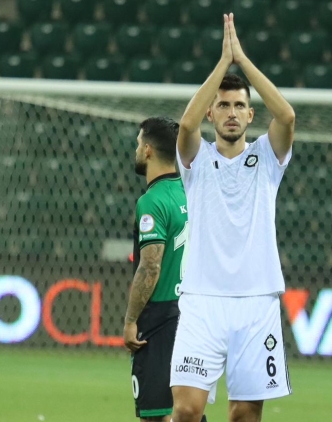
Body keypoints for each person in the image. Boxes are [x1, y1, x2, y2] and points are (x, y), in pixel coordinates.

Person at [170, 13, 295, 422]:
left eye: (240, 105)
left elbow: (287, 117)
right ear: (212, 113)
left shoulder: (267, 158)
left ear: (250, 116)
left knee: (244, 415)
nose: (231, 112)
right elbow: (186, 124)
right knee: (186, 410)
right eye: (223, 105)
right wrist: (223, 63)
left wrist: (242, 60)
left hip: (257, 302)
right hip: (201, 300)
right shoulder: (197, 159)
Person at [124, 117, 192, 422]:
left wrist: (131, 320)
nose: (137, 149)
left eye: (139, 143)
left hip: (161, 317)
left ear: (149, 150)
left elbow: (150, 267)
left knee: (156, 415)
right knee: (187, 409)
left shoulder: (152, 201)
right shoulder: (189, 192)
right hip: (191, 311)